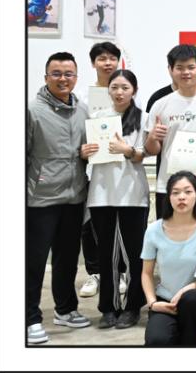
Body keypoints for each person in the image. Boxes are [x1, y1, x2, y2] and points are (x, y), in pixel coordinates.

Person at [27, 52, 92, 344]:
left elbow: (87, 150)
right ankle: (29, 318)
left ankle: (65, 309)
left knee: (67, 259)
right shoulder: (32, 111)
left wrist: (85, 153)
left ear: (76, 77)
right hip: (40, 198)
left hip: (74, 196)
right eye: (56, 73)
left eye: (68, 74)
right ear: (46, 77)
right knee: (33, 262)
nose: (63, 79)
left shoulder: (82, 110)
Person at [81, 68, 150, 330]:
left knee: (133, 254)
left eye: (125, 88)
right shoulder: (97, 117)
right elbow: (86, 153)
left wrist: (127, 150)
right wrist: (85, 151)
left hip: (133, 194)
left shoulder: (143, 118)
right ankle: (108, 308)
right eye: (114, 87)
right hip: (101, 194)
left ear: (134, 90)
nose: (119, 92)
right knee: (106, 254)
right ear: (108, 90)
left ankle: (132, 307)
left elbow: (145, 153)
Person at [145, 45, 196, 220]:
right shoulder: (160, 104)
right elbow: (152, 150)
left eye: (191, 67)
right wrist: (153, 138)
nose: (186, 72)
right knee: (168, 233)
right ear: (171, 70)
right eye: (179, 68)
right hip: (168, 185)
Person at [141, 171, 196, 345]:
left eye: (188, 192)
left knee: (191, 300)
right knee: (156, 340)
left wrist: (185, 290)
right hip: (165, 299)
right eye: (175, 193)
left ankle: (189, 340)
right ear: (168, 197)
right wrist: (153, 303)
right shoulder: (154, 230)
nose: (181, 197)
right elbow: (146, 273)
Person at [79, 41, 123, 299]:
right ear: (93, 63)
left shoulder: (128, 91)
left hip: (120, 168)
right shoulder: (83, 97)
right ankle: (95, 272)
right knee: (89, 224)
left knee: (120, 222)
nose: (107, 63)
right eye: (102, 58)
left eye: (112, 58)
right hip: (92, 168)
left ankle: (121, 272)